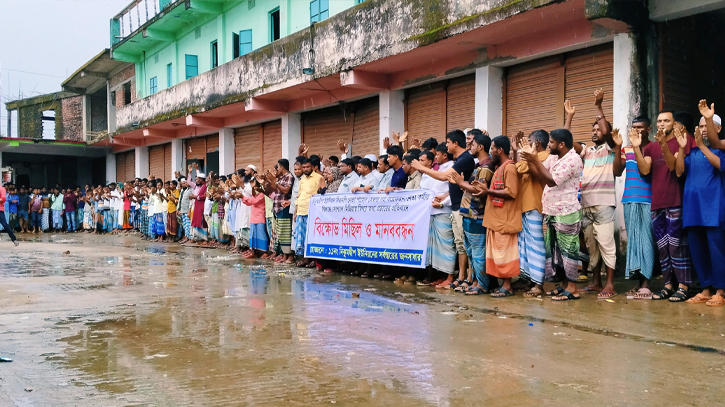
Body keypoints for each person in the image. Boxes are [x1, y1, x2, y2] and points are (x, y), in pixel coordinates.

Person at [635, 109, 695, 302]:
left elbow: (674, 168)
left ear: (675, 123)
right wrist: (637, 148)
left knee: (677, 245)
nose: (662, 124)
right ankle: (668, 285)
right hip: (657, 202)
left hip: (676, 199)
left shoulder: (682, 140)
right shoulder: (651, 147)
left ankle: (684, 285)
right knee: (663, 247)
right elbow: (645, 170)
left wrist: (663, 144)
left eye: (666, 121)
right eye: (659, 121)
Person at [521, 128, 584, 301]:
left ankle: (573, 289)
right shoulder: (556, 157)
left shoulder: (573, 160)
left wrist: (534, 159)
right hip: (552, 212)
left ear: (562, 144)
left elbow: (551, 180)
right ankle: (564, 285)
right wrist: (530, 158)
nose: (548, 145)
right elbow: (540, 172)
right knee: (558, 253)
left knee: (569, 252)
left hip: (567, 212)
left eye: (552, 142)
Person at [567, 91, 618, 299]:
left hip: (604, 204)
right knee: (592, 246)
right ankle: (596, 282)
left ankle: (610, 284)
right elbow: (566, 140)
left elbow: (607, 132)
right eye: (593, 129)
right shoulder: (587, 152)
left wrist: (599, 107)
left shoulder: (610, 148)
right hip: (586, 205)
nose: (596, 131)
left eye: (599, 129)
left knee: (607, 243)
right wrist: (569, 116)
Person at [411, 130, 476, 291]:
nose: (446, 145)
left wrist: (421, 167)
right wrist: (446, 195)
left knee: (465, 244)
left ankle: (467, 278)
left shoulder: (465, 159)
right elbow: (455, 182)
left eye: (448, 142)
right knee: (461, 244)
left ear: (455, 143)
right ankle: (462, 277)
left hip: (463, 207)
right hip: (455, 205)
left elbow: (443, 177)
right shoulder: (460, 159)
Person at [678, 106, 725, 307]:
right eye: (700, 126)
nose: (703, 130)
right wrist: (681, 147)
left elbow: (720, 165)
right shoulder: (693, 153)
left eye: (707, 126)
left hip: (714, 210)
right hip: (693, 210)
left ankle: (721, 291)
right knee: (698, 250)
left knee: (717, 251)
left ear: (718, 129)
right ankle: (706, 289)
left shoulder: (719, 150)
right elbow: (679, 170)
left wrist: (703, 146)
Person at [614, 117, 655, 299]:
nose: (637, 130)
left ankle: (647, 284)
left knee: (646, 240)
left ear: (649, 129)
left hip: (647, 200)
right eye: (634, 127)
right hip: (629, 200)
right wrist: (617, 147)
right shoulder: (626, 149)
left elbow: (645, 171)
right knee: (634, 242)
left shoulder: (653, 148)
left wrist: (637, 147)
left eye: (641, 127)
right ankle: (640, 284)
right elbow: (616, 171)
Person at [447, 133, 494, 294]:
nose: (469, 147)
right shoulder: (478, 166)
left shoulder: (486, 168)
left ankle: (482, 285)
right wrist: (462, 185)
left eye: (472, 145)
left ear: (480, 147)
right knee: (471, 252)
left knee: (478, 252)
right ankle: (474, 281)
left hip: (477, 215)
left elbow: (479, 190)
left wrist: (461, 183)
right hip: (469, 214)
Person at [477, 136, 521, 297]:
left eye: (493, 148)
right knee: (497, 254)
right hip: (496, 219)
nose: (491, 152)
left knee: (505, 254)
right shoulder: (501, 166)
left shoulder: (509, 168)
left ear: (500, 150)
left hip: (505, 220)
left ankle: (508, 286)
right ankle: (504, 285)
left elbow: (511, 192)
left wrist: (488, 191)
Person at [511, 129, 550, 297]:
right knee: (524, 245)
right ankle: (526, 278)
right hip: (524, 206)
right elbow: (516, 168)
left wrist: (522, 154)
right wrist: (515, 152)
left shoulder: (544, 156)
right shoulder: (530, 157)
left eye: (529, 142)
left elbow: (521, 168)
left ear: (538, 144)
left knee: (535, 245)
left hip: (534, 205)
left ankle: (538, 283)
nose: (524, 146)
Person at [294, 156, 323, 267]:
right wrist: (296, 211)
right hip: (301, 211)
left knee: (311, 236)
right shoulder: (302, 179)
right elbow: (299, 195)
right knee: (301, 238)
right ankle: (305, 259)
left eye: (307, 167)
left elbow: (320, 194)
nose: (305, 169)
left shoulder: (319, 178)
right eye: (304, 167)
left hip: (312, 212)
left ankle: (313, 260)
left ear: (313, 167)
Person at [266, 159, 295, 264]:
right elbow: (275, 189)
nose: (277, 169)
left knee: (286, 232)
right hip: (277, 208)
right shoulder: (281, 177)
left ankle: (290, 256)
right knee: (281, 233)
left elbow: (286, 190)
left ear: (282, 167)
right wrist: (270, 182)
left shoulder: (289, 176)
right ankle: (284, 254)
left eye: (278, 167)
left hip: (285, 207)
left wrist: (276, 182)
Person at [241, 178, 269, 259]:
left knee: (261, 235)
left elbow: (253, 202)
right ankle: (254, 251)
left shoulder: (262, 194)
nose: (255, 188)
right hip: (253, 217)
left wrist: (242, 196)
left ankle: (264, 251)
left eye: (255, 186)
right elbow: (249, 201)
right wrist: (242, 197)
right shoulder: (256, 195)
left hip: (260, 217)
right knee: (253, 235)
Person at [189, 172, 208, 243]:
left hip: (202, 206)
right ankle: (198, 238)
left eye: (197, 179)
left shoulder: (205, 186)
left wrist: (196, 197)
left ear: (201, 179)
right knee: (197, 222)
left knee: (203, 222)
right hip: (197, 206)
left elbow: (205, 195)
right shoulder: (199, 187)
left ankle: (205, 239)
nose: (196, 181)